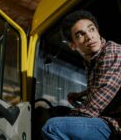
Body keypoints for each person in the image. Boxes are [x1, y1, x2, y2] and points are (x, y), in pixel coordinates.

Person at [42, 10, 121, 140]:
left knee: (53, 127)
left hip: (115, 123)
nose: (90, 37)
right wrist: (81, 95)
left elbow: (97, 103)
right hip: (106, 119)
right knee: (60, 113)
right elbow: (104, 83)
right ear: (73, 45)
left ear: (97, 31)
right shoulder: (91, 61)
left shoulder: (112, 52)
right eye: (80, 35)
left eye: (92, 30)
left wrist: (68, 118)